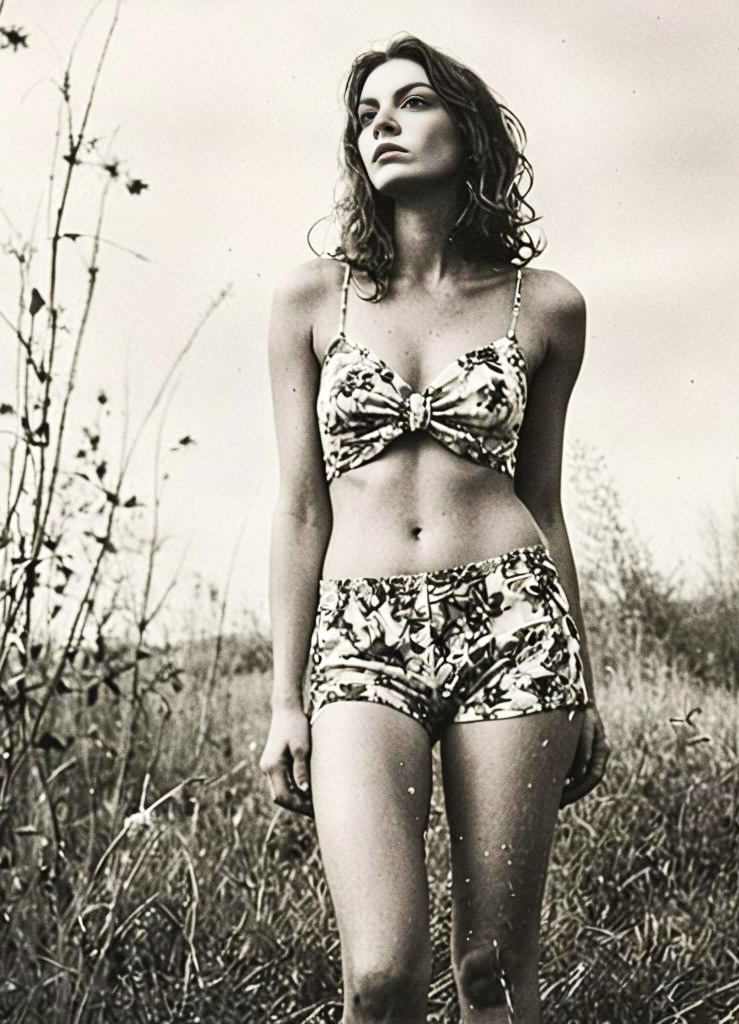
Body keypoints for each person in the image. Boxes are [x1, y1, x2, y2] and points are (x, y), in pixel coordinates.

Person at [259, 33, 610, 1024]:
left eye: (409, 103)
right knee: (379, 973)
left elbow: (543, 504)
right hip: (360, 635)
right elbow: (298, 505)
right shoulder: (306, 301)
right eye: (365, 114)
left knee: (493, 967)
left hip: (513, 627)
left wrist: (579, 675)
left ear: (469, 129)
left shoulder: (548, 307)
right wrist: (286, 697)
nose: (382, 125)